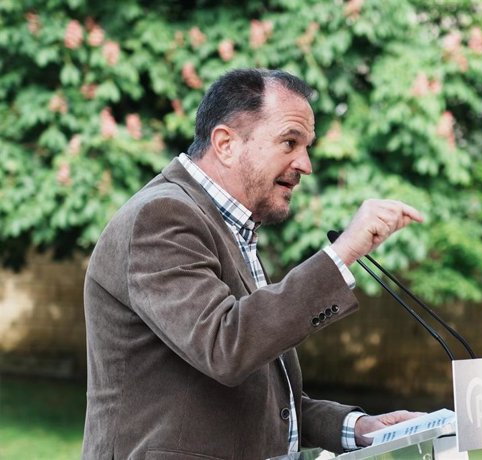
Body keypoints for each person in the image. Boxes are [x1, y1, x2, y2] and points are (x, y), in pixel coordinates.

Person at [82, 68, 424, 459]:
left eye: (306, 146)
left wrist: (355, 428)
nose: (305, 164)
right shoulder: (161, 217)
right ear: (226, 144)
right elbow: (225, 346)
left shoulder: (227, 226)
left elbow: (261, 396)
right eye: (289, 142)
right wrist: (342, 253)